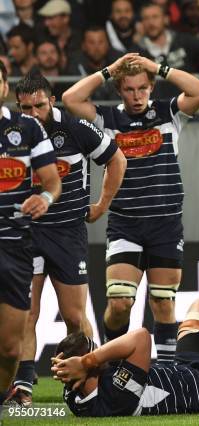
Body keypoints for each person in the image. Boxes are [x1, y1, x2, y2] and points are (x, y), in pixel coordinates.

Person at [62, 53, 199, 364]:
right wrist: (107, 70)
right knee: (119, 303)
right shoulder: (107, 119)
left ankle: (167, 374)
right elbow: (70, 98)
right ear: (119, 90)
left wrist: (158, 68)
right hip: (125, 223)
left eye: (143, 87)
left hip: (166, 224)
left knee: (163, 303)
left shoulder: (169, 113)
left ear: (151, 87)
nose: (137, 95)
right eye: (129, 89)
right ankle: (114, 363)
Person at [4, 72, 126, 407]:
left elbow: (117, 159)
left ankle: (97, 377)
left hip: (67, 233)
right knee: (26, 314)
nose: (33, 114)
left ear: (52, 100)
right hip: (26, 233)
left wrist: (101, 205)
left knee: (74, 316)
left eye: (39, 105)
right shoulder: (13, 134)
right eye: (26, 108)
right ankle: (23, 387)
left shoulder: (74, 128)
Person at [51, 297, 199, 416]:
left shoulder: (74, 394)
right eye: (94, 352)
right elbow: (141, 337)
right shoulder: (116, 397)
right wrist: (88, 360)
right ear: (86, 369)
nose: (99, 355)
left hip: (186, 370)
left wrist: (81, 363)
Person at [0, 61, 61, 406]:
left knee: (9, 348)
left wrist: (46, 197)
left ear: (5, 87)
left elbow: (53, 182)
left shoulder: (28, 130)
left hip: (14, 247)